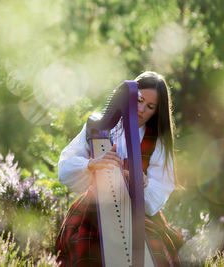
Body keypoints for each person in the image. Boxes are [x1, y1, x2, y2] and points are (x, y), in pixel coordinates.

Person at [55, 71, 183, 267]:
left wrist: (141, 184)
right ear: (128, 98)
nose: (141, 109)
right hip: (94, 208)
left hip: (139, 214)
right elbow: (64, 170)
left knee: (156, 253)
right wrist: (92, 164)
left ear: (157, 112)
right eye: (138, 100)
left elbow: (157, 194)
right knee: (85, 252)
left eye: (150, 107)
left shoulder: (157, 142)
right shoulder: (98, 128)